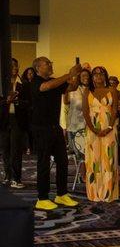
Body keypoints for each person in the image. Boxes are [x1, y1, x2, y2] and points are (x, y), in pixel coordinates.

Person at [30, 57, 80, 210]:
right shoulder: (35, 82)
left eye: (51, 63)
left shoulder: (55, 81)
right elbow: (46, 87)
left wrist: (76, 76)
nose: (51, 65)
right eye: (47, 63)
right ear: (38, 67)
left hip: (55, 127)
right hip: (41, 128)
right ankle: (42, 197)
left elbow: (72, 88)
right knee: (44, 163)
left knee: (63, 161)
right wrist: (69, 73)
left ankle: (61, 194)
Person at [82, 66, 119, 202]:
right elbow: (85, 112)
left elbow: (114, 110)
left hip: (109, 128)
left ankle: (108, 192)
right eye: (95, 74)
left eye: (101, 74)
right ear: (92, 77)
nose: (98, 76)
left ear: (105, 76)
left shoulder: (112, 90)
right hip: (93, 129)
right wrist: (93, 128)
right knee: (94, 160)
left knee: (109, 160)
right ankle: (94, 192)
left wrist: (109, 127)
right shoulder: (87, 91)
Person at [0, 58, 30, 188]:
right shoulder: (2, 85)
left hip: (17, 120)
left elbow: (29, 103)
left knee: (16, 150)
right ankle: (7, 176)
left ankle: (16, 179)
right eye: (12, 66)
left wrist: (16, 102)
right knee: (5, 149)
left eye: (16, 66)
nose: (15, 68)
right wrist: (7, 101)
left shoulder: (23, 84)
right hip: (3, 120)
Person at [64, 69, 90, 176]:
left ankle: (91, 173)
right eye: (83, 76)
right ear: (79, 78)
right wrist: (66, 89)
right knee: (82, 153)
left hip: (90, 125)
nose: (86, 78)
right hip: (76, 125)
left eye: (88, 76)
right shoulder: (74, 89)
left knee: (91, 152)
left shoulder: (92, 90)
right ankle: (83, 175)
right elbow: (66, 101)